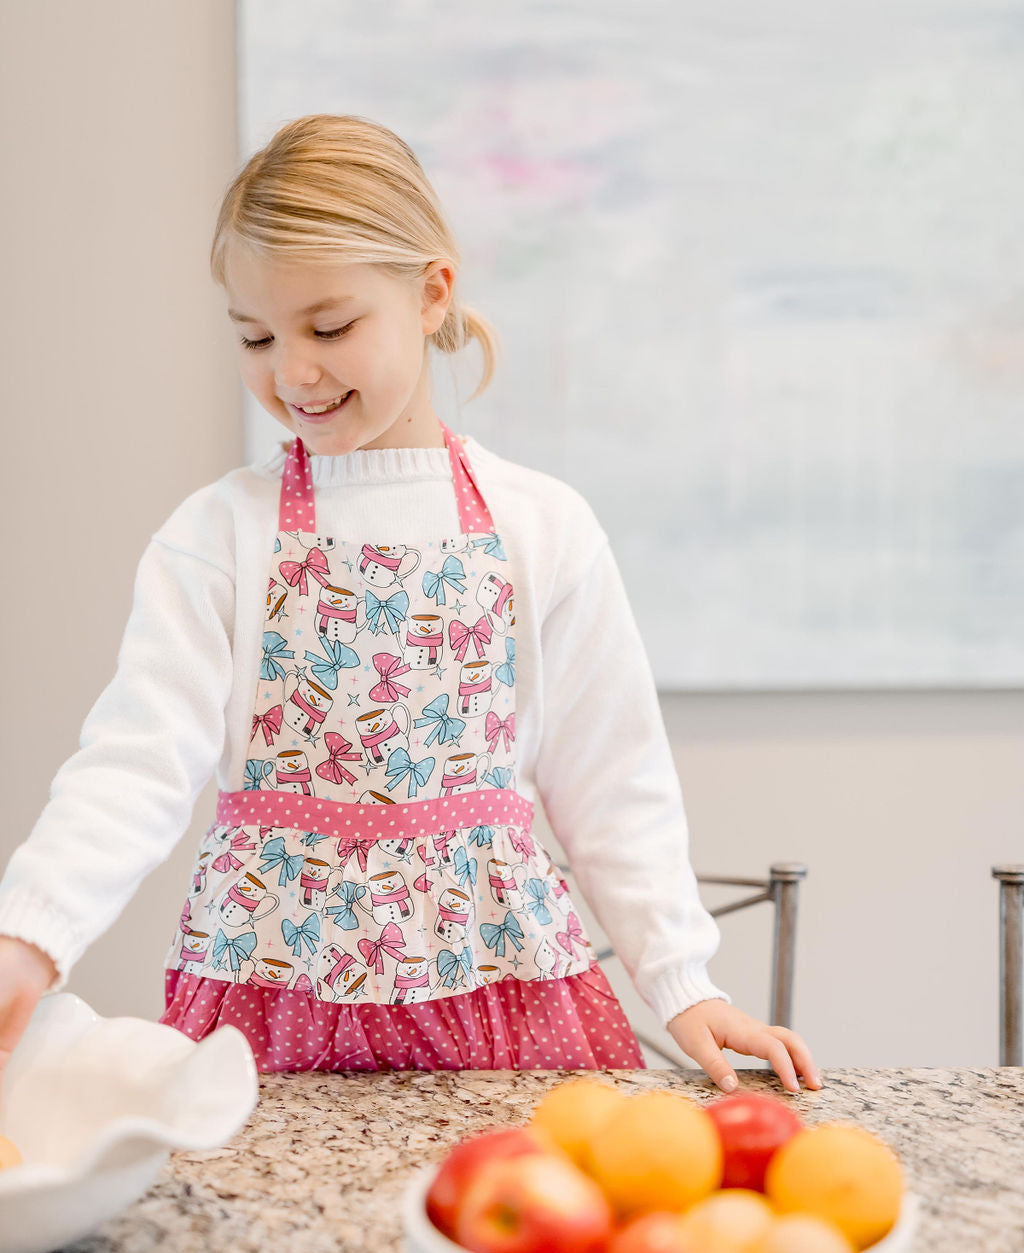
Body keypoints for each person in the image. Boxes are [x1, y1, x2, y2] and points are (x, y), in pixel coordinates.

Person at [0, 113, 822, 1093]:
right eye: (256, 335)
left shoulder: (542, 525)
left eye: (330, 326)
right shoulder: (217, 536)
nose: (291, 371)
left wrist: (684, 981)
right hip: (275, 991)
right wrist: (30, 935)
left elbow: (614, 782)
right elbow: (133, 764)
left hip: (500, 987)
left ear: (432, 293)